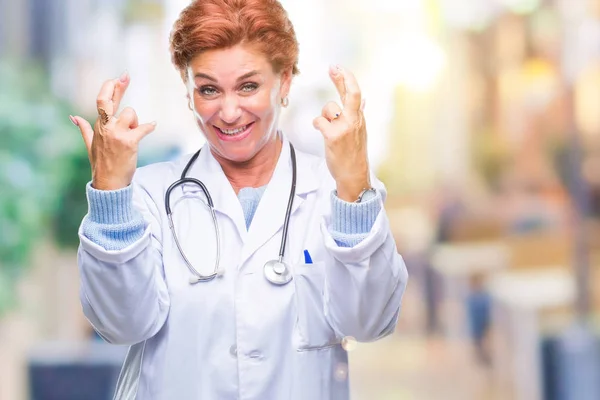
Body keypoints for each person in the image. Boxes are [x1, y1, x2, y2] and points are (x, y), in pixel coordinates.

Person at [70, 0, 408, 398]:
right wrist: (110, 194)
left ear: (284, 83)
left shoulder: (333, 193)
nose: (229, 112)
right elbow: (120, 325)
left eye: (249, 86)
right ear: (187, 88)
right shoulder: (148, 195)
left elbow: (367, 323)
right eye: (209, 89)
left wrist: (353, 187)